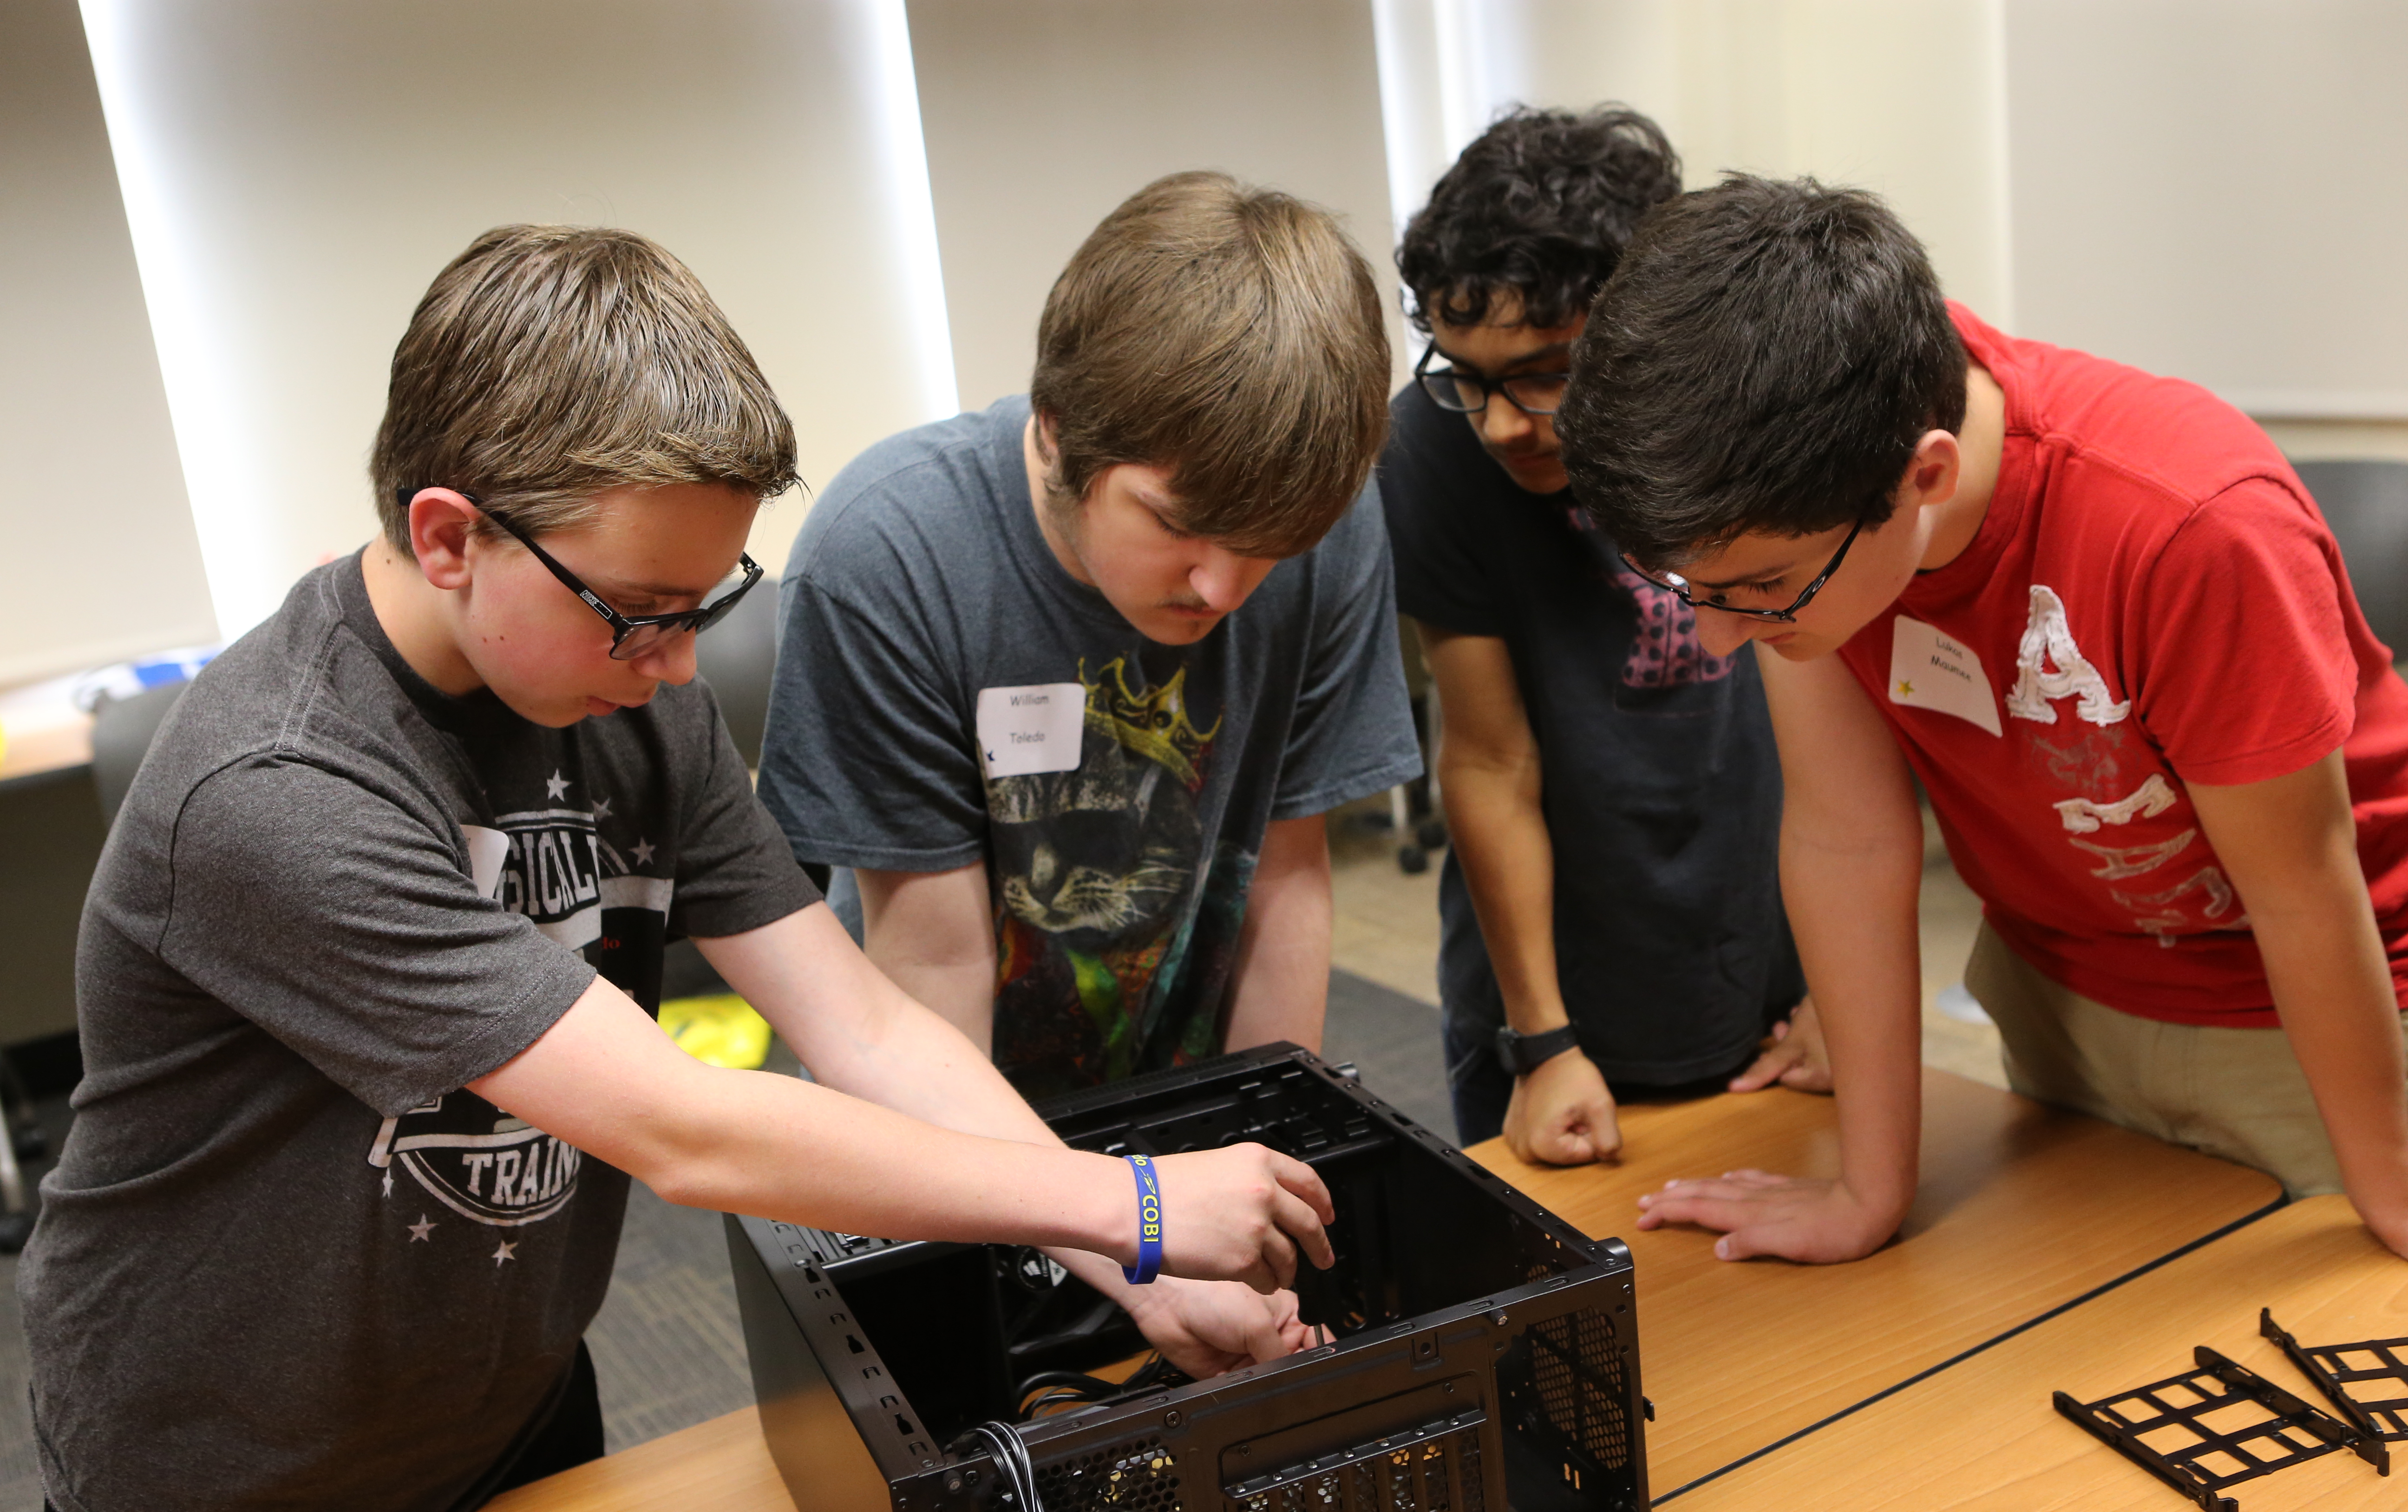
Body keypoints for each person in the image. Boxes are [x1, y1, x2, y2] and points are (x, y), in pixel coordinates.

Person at [25, 225, 1334, 1512]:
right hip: (234, 1484)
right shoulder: (276, 788)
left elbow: (868, 1025)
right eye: (638, 612)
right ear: (449, 536)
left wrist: (1132, 1274)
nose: (678, 665)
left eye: (706, 605)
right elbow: (684, 1128)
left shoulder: (636, 708)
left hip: (505, 1394)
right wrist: (1126, 1204)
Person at [1556, 176, 2408, 1264]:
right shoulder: (1800, 455)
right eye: (1694, 589)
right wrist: (1869, 1190)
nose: (1721, 642)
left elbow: (2302, 892)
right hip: (2060, 995)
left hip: (2319, 1012)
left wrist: (2389, 1193)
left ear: (1926, 477)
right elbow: (1846, 837)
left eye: (1762, 592)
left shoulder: (2190, 524)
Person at [759, 173, 1423, 1101]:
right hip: (939, 1097)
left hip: (1182, 1083)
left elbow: (1285, 880)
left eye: (1271, 546)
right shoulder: (892, 555)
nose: (1223, 588)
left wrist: (1264, 1137)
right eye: (1175, 523)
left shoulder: (1327, 517)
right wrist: (1083, 1213)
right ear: (1056, 429)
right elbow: (933, 968)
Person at [1380, 107, 1820, 1165]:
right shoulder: (1434, 451)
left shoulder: (1755, 409)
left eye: (1544, 373)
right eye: (1469, 375)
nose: (1501, 424)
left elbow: (1847, 715)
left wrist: (1846, 989)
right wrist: (1543, 1041)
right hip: (1546, 983)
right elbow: (1488, 759)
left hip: (1768, 949)